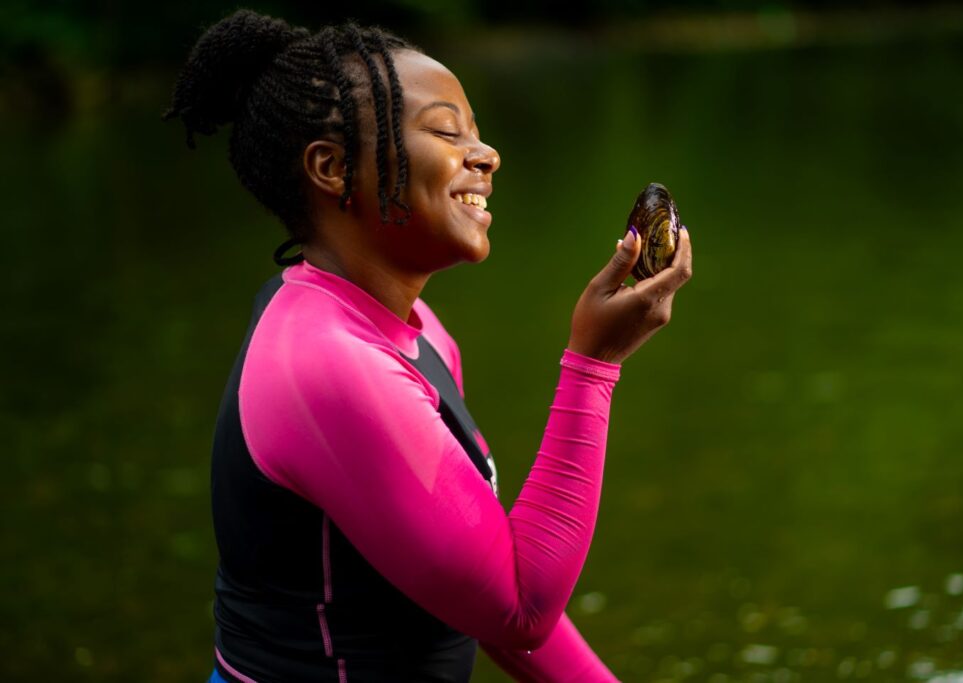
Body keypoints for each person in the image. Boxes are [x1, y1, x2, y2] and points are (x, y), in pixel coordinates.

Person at [162, 8, 692, 682]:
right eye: (447, 131)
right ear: (331, 168)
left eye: (476, 133)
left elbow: (484, 576)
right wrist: (592, 365)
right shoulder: (328, 366)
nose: (488, 154)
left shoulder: (410, 328)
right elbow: (519, 606)